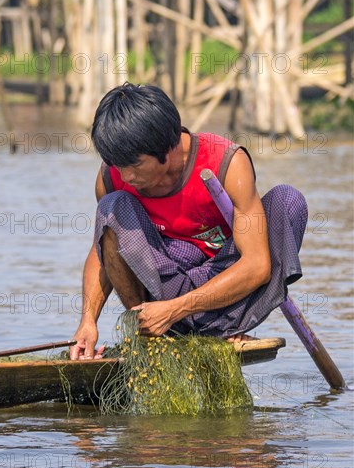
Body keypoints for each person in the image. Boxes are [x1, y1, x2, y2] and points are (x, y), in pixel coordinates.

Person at [70, 83, 308, 360]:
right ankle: (148, 330)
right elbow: (102, 250)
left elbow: (257, 265)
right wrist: (88, 321)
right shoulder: (112, 178)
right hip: (164, 284)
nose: (126, 176)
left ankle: (230, 326)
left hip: (224, 291)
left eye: (134, 165)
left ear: (166, 149)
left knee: (288, 201)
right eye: (117, 164)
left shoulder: (227, 163)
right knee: (112, 207)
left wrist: (176, 310)